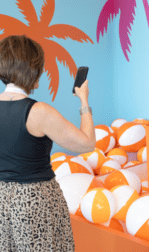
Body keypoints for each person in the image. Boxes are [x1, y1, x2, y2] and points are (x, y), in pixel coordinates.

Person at [0, 35, 96, 251]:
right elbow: (87, 143)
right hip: (35, 200)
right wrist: (84, 100)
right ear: (32, 69)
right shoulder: (38, 112)